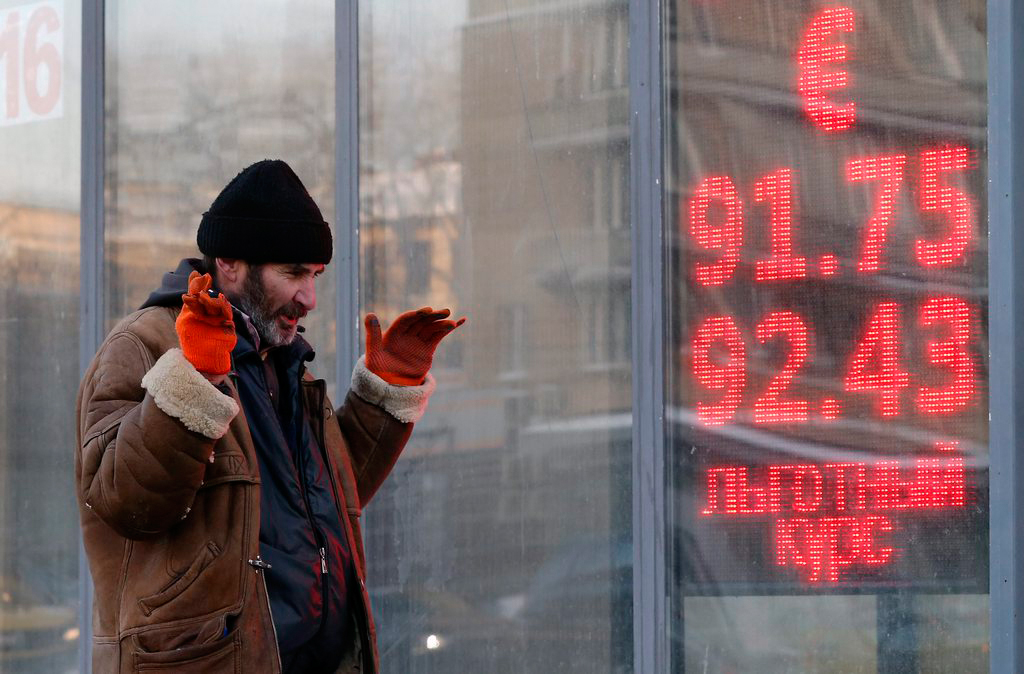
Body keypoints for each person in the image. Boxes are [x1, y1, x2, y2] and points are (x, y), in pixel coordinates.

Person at [75, 159, 465, 673]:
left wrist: (386, 394)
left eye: (316, 275)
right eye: (293, 273)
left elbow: (323, 500)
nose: (310, 298)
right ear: (230, 263)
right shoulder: (142, 345)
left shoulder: (281, 360)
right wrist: (196, 379)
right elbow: (124, 501)